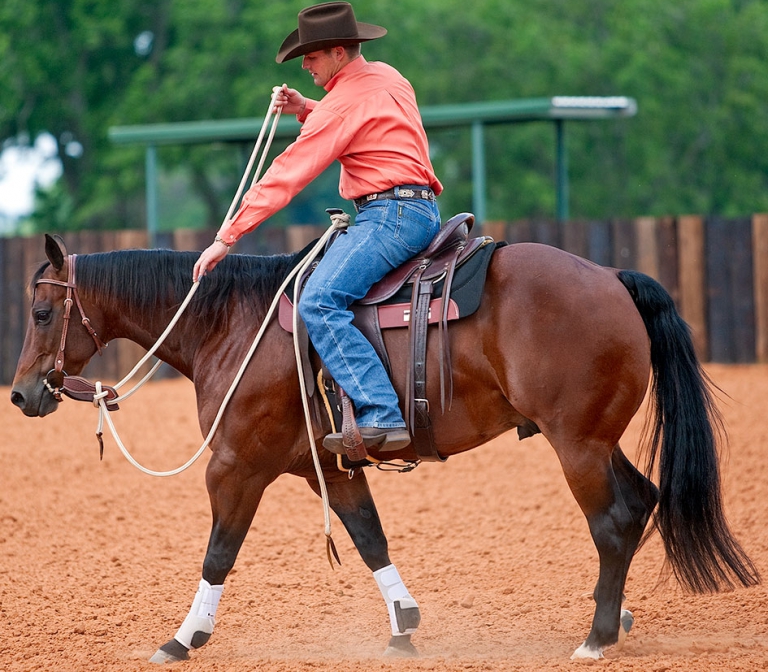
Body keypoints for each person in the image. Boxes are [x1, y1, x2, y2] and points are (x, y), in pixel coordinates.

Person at [193, 1, 443, 453]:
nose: (305, 65)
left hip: (388, 217)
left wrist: (226, 237)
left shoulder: (340, 106)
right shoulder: (389, 76)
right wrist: (308, 107)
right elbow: (362, 121)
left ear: (338, 53)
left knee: (319, 300)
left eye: (310, 56)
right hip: (421, 211)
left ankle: (381, 412)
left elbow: (287, 174)